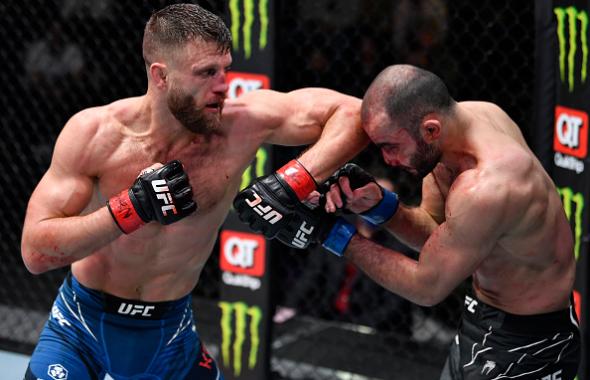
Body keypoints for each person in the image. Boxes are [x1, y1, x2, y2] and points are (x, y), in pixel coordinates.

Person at [20, 4, 367, 379]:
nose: (223, 85)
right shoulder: (96, 135)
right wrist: (130, 210)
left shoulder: (242, 124)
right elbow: (36, 252)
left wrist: (297, 178)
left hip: (170, 335)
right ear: (161, 76)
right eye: (206, 73)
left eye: (225, 69)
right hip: (80, 326)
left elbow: (359, 115)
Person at [236, 64, 581, 379]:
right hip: (483, 319)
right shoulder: (467, 126)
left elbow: (426, 286)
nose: (387, 159)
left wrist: (329, 234)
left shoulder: (488, 186)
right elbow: (435, 235)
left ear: (430, 129)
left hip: (529, 343)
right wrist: (379, 205)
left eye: (390, 146)